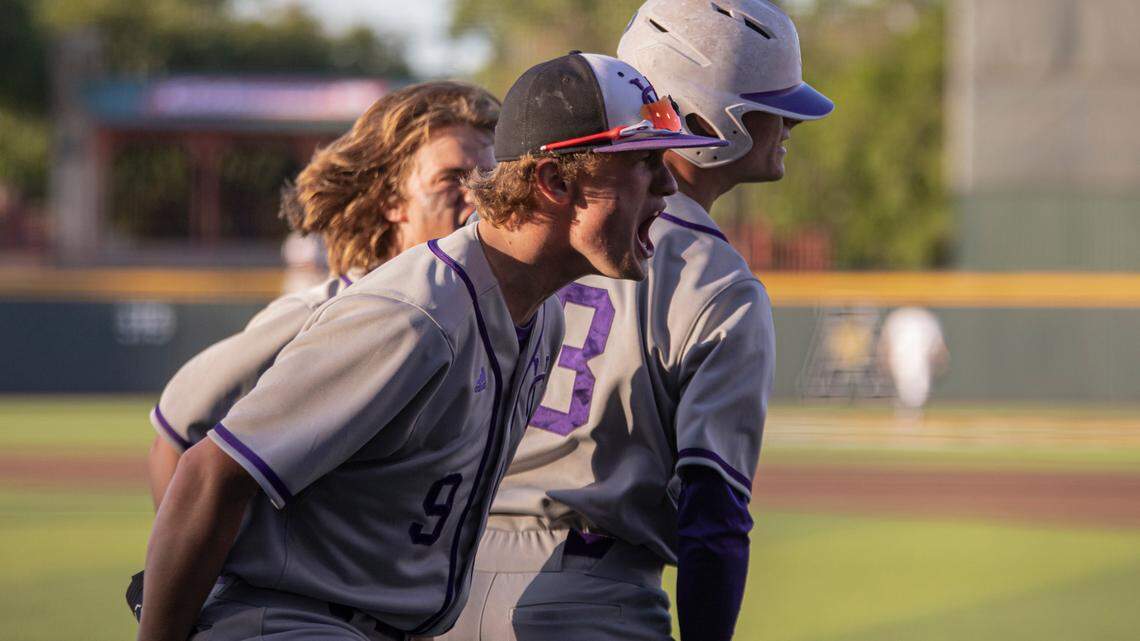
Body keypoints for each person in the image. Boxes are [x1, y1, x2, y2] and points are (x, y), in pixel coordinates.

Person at [136, 52, 724, 641]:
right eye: (644, 161)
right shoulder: (412, 315)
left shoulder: (540, 319)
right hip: (296, 621)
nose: (670, 183)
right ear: (554, 181)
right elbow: (209, 473)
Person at [434, 2, 834, 640]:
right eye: (772, 103)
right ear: (711, 116)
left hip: (440, 583)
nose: (789, 121)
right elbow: (715, 514)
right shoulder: (719, 281)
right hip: (592, 597)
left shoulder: (516, 233)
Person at [145, 81, 499, 509]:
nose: (477, 197)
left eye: (486, 178)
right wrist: (197, 575)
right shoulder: (322, 311)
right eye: (451, 180)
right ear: (392, 201)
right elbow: (177, 433)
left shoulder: (483, 316)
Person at [879, 306, 949, 418]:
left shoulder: (926, 317)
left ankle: (911, 418)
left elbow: (938, 346)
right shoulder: (898, 317)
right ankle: (906, 417)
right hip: (901, 362)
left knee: (916, 397)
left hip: (918, 364)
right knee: (907, 398)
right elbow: (886, 344)